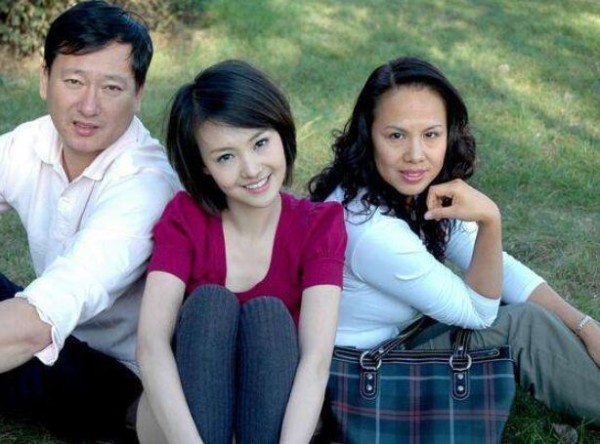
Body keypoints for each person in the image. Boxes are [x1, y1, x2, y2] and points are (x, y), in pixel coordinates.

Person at [309, 56, 600, 425]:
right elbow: (480, 312)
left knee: (518, 300)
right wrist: (490, 220)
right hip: (359, 384)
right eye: (396, 135)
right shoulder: (370, 228)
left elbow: (502, 269)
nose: (416, 155)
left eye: (431, 134)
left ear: (449, 134)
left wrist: (585, 326)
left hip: (390, 348)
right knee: (521, 326)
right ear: (369, 136)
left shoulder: (404, 189)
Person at [135, 59, 347, 444]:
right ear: (203, 167)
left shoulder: (319, 226)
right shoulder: (185, 219)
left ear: (281, 133)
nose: (251, 169)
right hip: (184, 426)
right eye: (225, 157)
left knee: (270, 318)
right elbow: (151, 346)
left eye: (260, 143)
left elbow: (316, 361)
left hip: (272, 419)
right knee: (210, 304)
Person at [0, 1, 178, 442]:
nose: (89, 105)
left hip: (115, 372)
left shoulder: (146, 184)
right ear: (45, 79)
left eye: (112, 88)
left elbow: (45, 317)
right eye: (74, 81)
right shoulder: (33, 140)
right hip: (50, 328)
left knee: (30, 356)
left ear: (139, 93)